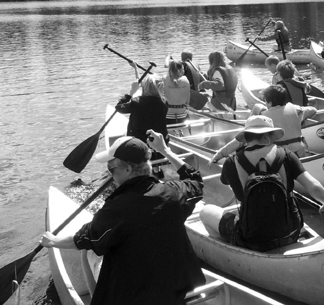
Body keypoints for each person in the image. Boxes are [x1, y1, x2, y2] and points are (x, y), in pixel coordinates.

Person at [40, 132, 206, 305]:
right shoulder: (173, 193)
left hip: (135, 297)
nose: (111, 175)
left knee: (88, 250)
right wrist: (164, 150)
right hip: (175, 289)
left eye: (111, 169)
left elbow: (83, 238)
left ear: (128, 169)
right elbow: (195, 179)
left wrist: (53, 241)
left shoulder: (117, 209)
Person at [199, 115, 324, 252]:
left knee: (205, 212)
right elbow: (313, 185)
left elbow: (225, 182)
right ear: (269, 136)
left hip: (252, 238)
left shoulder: (231, 162)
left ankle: (232, 251)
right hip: (291, 232)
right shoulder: (287, 155)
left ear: (246, 138)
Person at [209, 85, 316, 160]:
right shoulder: (296, 109)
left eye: (265, 101)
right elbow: (313, 110)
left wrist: (220, 153)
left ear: (269, 102)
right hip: (301, 152)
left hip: (281, 156)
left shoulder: (264, 118)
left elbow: (239, 141)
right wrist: (299, 118)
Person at [116, 65, 169, 159]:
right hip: (160, 143)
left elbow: (119, 108)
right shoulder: (164, 102)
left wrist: (131, 93)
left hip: (139, 145)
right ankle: (157, 169)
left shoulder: (136, 102)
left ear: (145, 88)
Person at [163, 60, 190, 124]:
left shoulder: (164, 79)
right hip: (182, 115)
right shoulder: (186, 80)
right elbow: (187, 102)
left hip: (167, 116)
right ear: (181, 70)